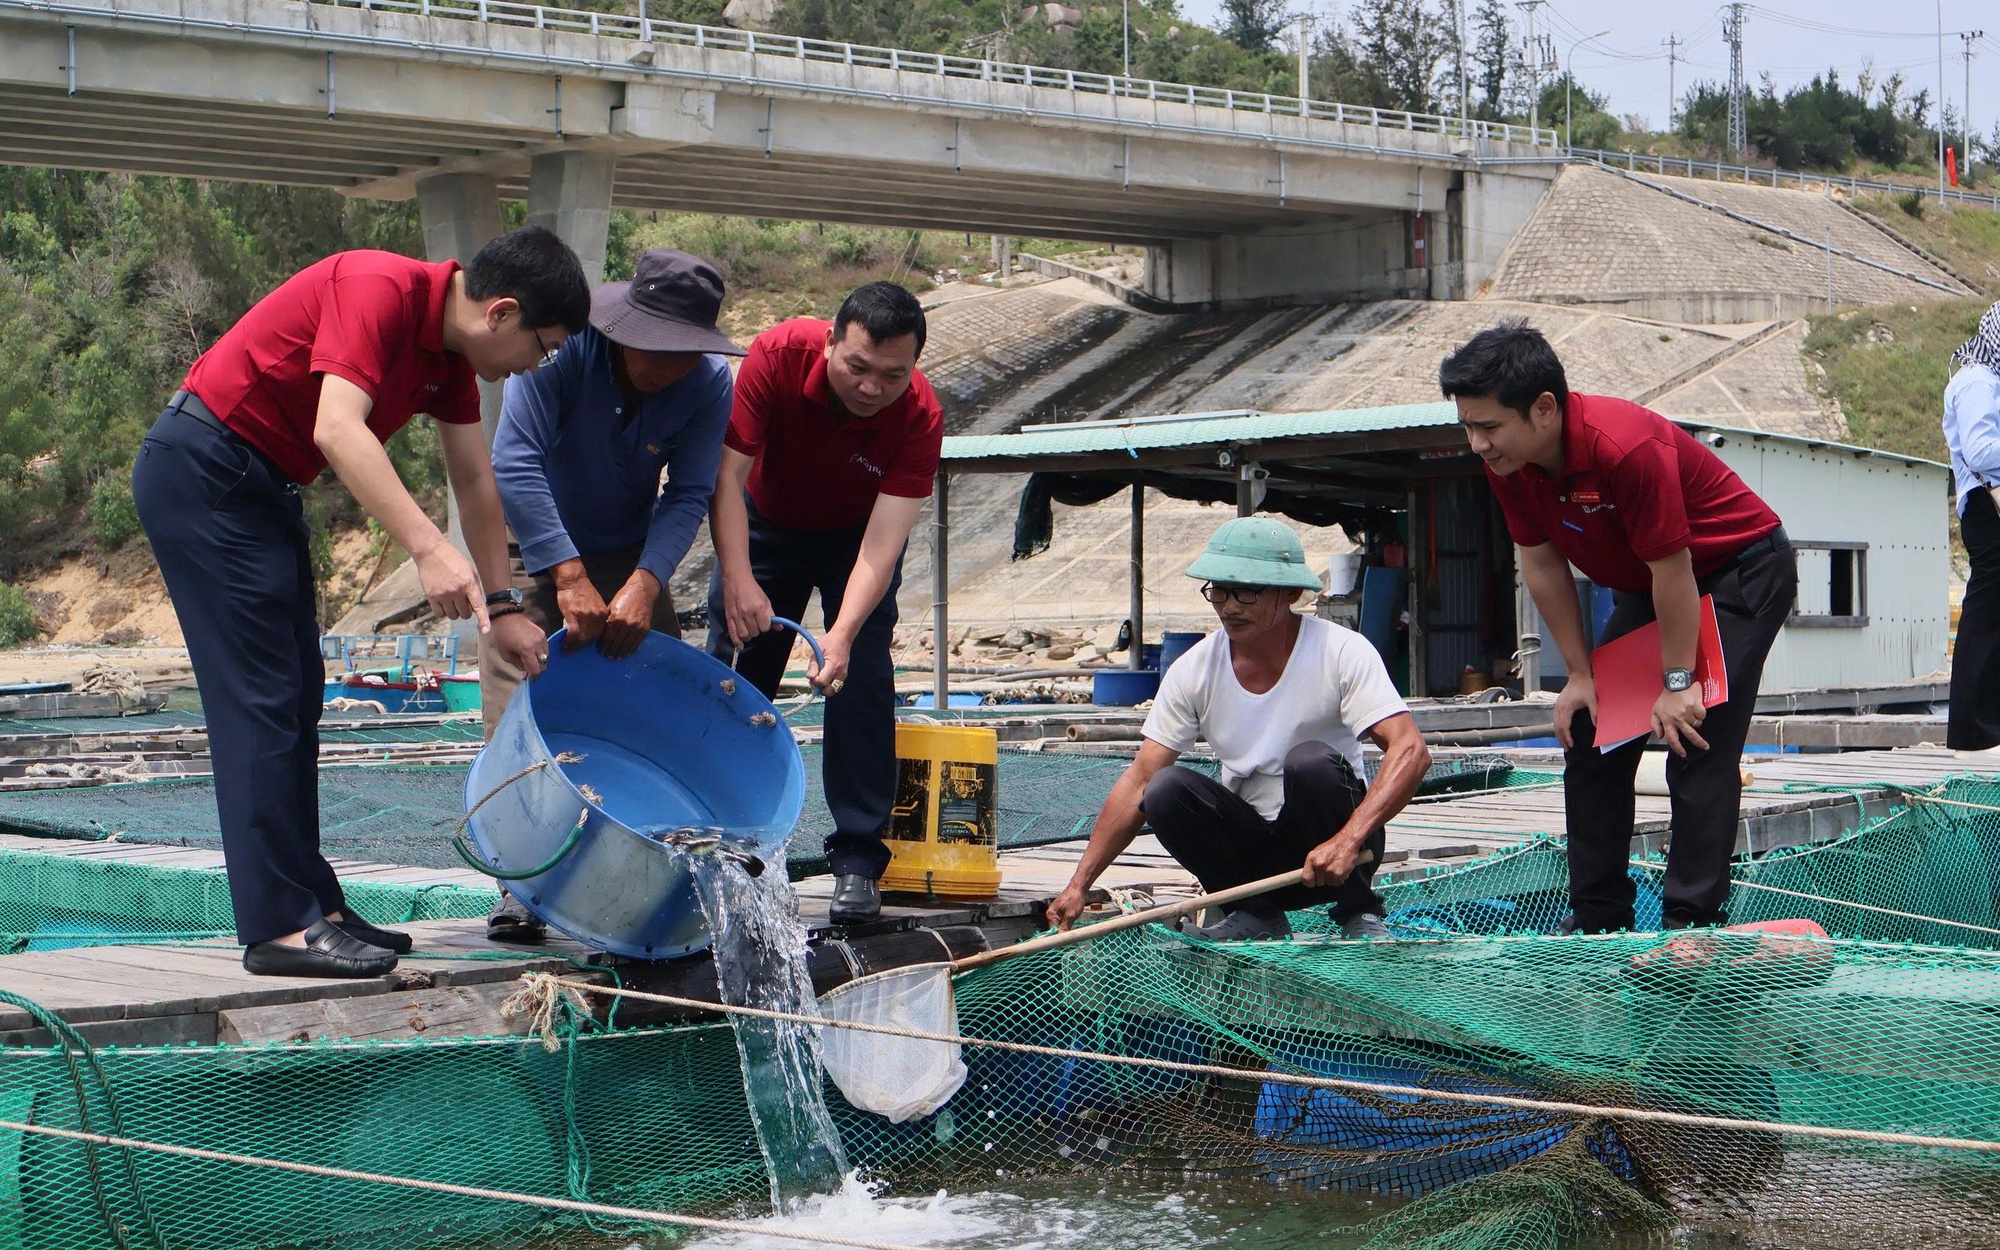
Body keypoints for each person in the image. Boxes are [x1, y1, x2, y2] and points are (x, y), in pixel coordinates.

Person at [132, 227, 590, 978]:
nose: (534, 366)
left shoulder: (450, 361)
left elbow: (476, 483)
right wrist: (426, 547)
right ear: (502, 314)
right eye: (543, 347)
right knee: (261, 699)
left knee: (296, 692)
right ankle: (280, 929)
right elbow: (337, 428)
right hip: (203, 471)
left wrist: (503, 603)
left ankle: (314, 904)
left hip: (262, 485)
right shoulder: (378, 288)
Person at [1441, 322, 1797, 934]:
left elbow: (1676, 569)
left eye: (1489, 427)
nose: (1478, 444)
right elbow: (1542, 562)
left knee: (1694, 734)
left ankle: (1691, 924)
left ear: (1544, 409)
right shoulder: (1510, 465)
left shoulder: (1623, 447)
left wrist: (1680, 681)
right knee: (1591, 729)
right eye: (1469, 427)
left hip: (1738, 571)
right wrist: (1579, 674)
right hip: (1652, 585)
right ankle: (1598, 918)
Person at [479, 247, 743, 942]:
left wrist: (646, 580)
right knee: (518, 699)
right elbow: (513, 459)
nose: (667, 365)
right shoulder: (561, 353)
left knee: (656, 698)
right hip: (537, 538)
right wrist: (565, 574)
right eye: (653, 347)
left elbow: (689, 491)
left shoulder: (711, 385)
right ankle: (519, 881)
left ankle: (649, 875)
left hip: (632, 552)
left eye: (684, 350)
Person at [1047, 517, 1432, 941]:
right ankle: (1254, 913)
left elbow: (1410, 750)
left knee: (1310, 762)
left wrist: (1347, 839)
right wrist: (1078, 884)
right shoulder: (1195, 668)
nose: (1229, 606)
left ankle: (1360, 911)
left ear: (1290, 594)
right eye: (1219, 590)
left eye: (1246, 592)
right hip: (1253, 860)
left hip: (1339, 855)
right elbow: (1138, 779)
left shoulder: (1341, 651)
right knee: (1163, 787)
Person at [707, 282, 943, 925]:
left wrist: (838, 635)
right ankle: (729, 845)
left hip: (852, 538)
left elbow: (883, 544)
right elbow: (723, 476)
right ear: (831, 341)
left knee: (860, 674)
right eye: (857, 367)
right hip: (763, 522)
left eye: (892, 375)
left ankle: (859, 861)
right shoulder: (778, 353)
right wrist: (737, 576)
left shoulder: (920, 415)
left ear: (914, 367)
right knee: (737, 673)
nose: (871, 387)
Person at [1944, 301, 2000, 756]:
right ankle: (1972, 730)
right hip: (1986, 505)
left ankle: (1985, 725)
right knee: (1986, 610)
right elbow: (1981, 451)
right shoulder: (1976, 380)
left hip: (1988, 502)